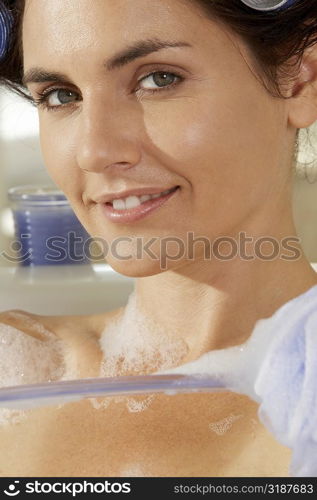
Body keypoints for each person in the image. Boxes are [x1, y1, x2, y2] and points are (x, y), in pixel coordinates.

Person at [0, 0, 317, 477]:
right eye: (62, 95)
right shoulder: (19, 370)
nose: (95, 151)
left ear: (301, 80)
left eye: (158, 79)